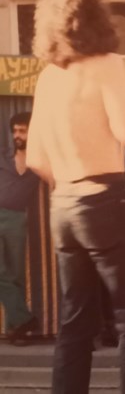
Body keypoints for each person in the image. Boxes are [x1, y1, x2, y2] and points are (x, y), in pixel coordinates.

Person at [26, 0, 125, 393]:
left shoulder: (49, 77)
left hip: (63, 204)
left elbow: (36, 157)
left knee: (75, 323)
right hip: (102, 196)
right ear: (95, 18)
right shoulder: (103, 65)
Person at [0, 112, 40, 346]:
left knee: (15, 274)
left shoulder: (39, 162)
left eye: (22, 131)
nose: (17, 135)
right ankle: (25, 319)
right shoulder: (2, 156)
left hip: (17, 219)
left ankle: (17, 330)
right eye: (14, 131)